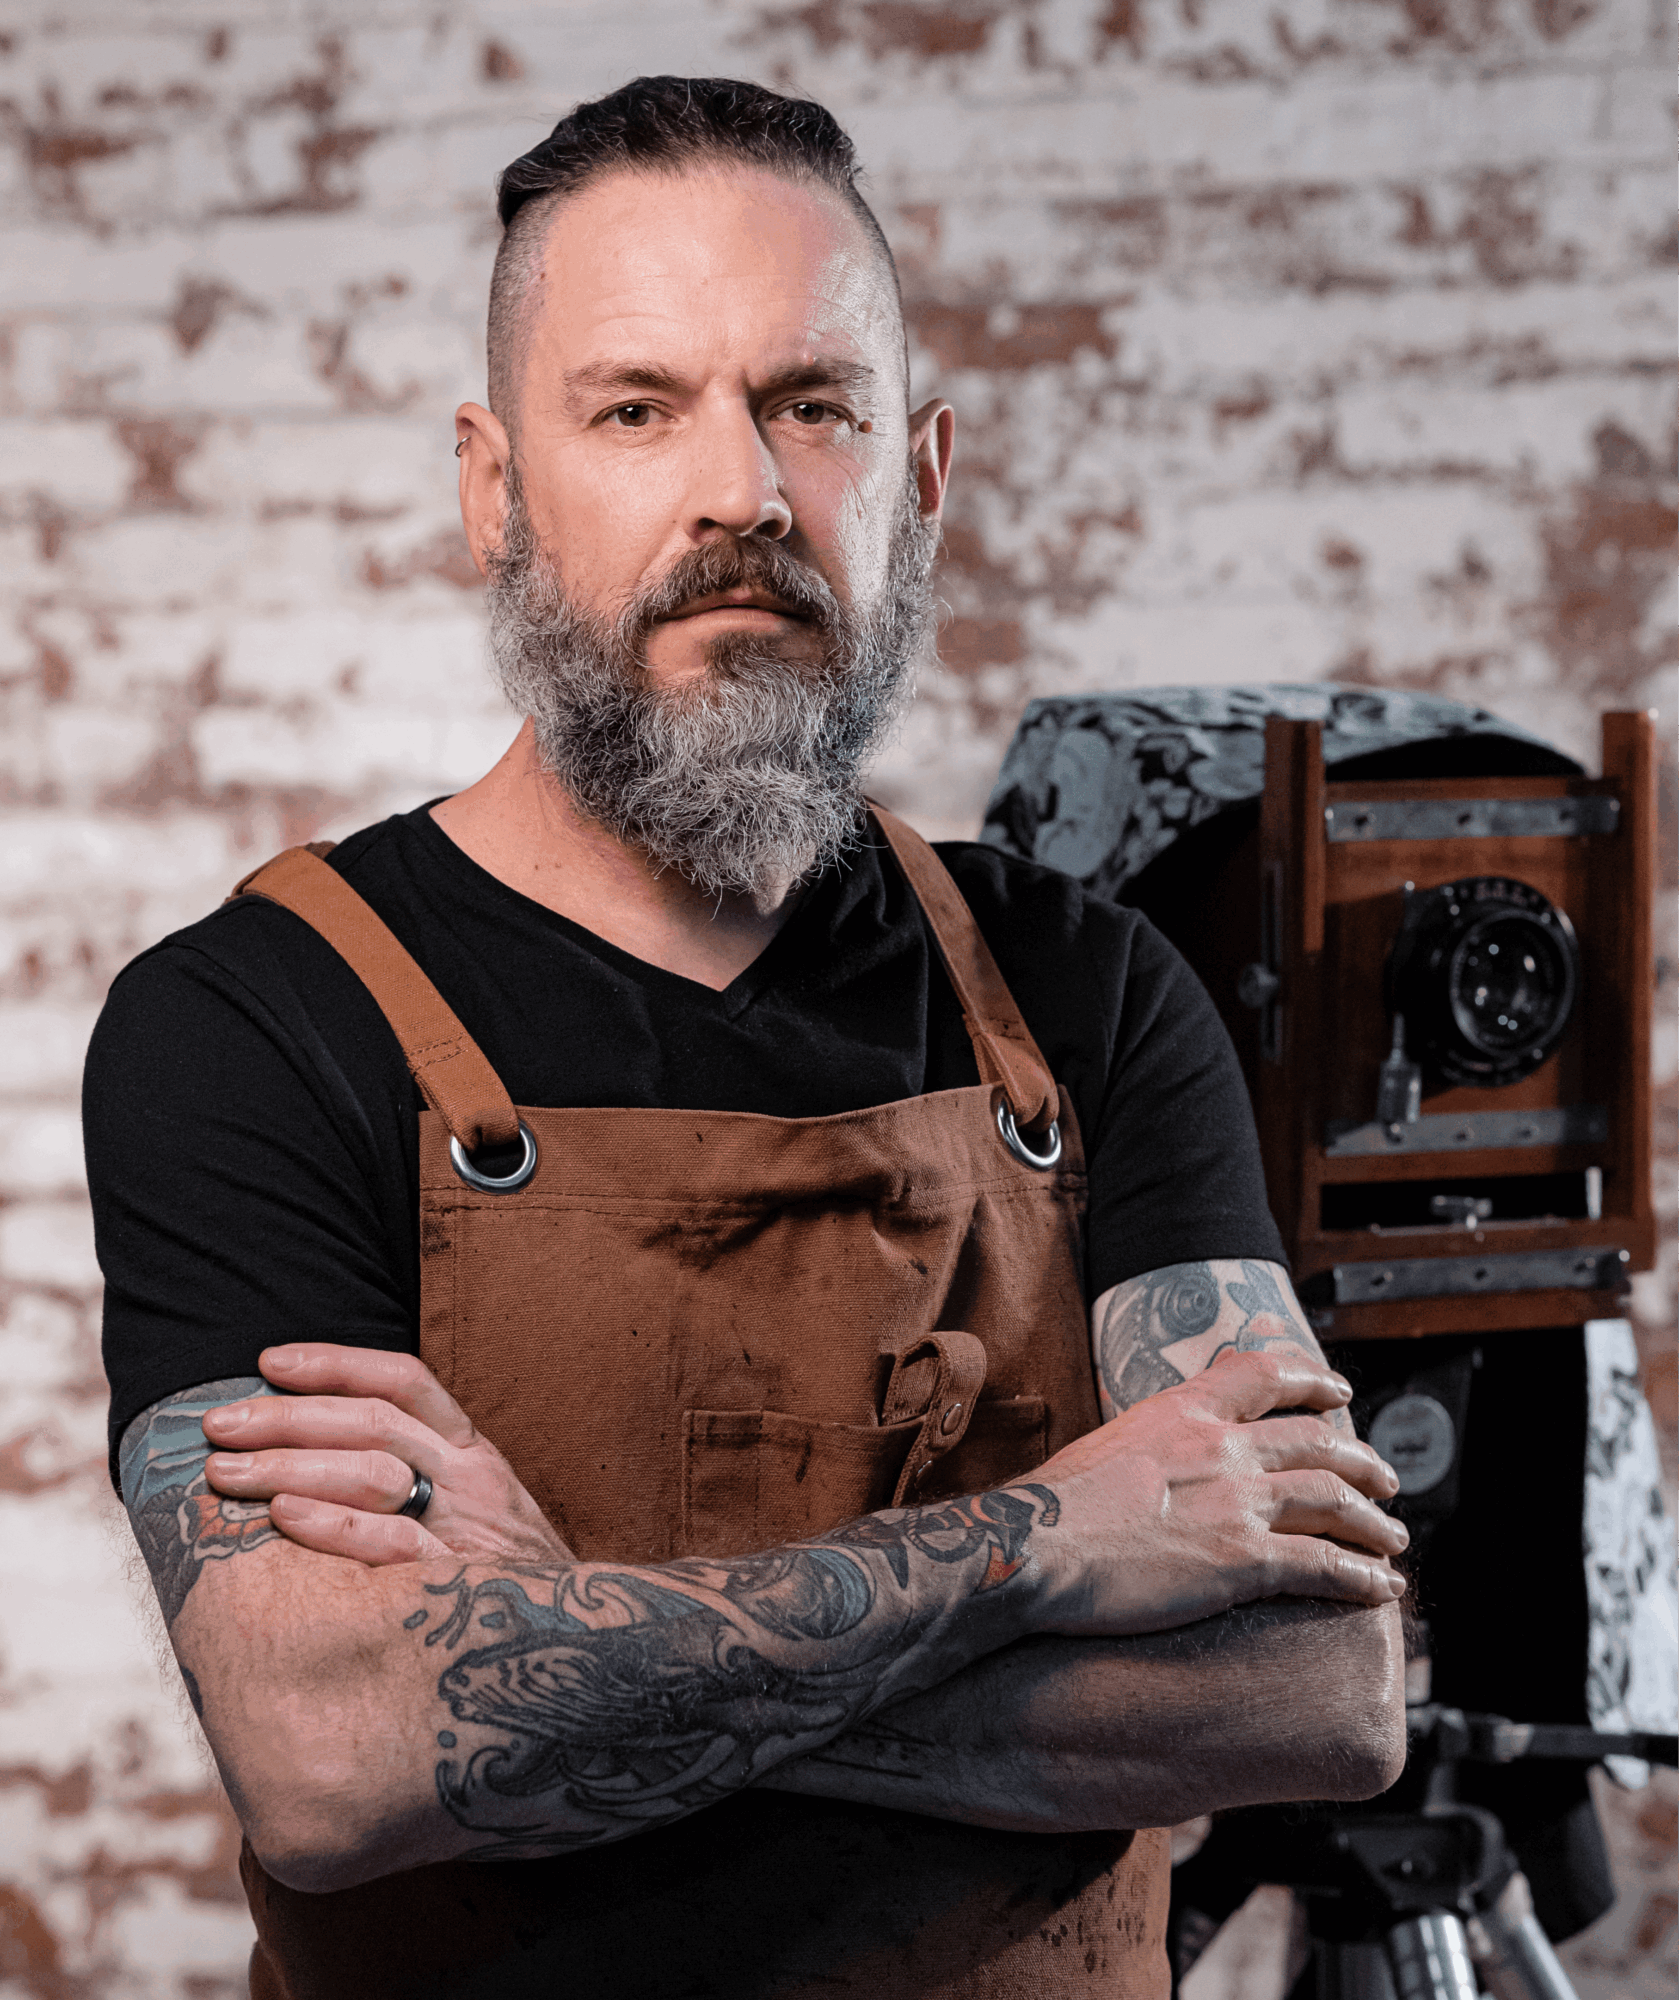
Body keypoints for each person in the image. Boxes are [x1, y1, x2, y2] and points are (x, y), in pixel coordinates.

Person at [89, 76, 1409, 2000]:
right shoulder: (251, 1024)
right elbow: (334, 1762)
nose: (742, 494)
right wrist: (1051, 1544)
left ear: (919, 473)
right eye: (636, 410)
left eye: (812, 405)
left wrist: (548, 1658)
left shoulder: (1092, 993)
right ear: (493, 487)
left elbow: (1316, 1696)